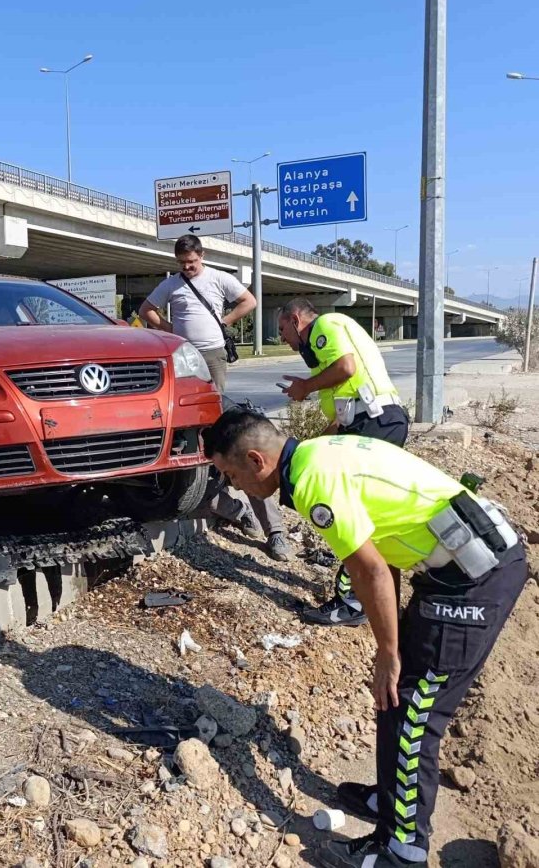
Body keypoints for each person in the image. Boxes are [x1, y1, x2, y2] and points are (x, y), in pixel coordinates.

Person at [203, 410, 527, 868]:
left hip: (477, 576)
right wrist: (390, 647)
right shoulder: (314, 456)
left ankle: (403, 849)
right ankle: (394, 799)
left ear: (256, 461)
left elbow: (368, 569)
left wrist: (388, 652)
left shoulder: (314, 482)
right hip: (456, 568)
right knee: (396, 700)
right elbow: (381, 555)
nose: (233, 487)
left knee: (415, 707)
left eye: (230, 475)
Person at [139, 234, 292, 562]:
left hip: (212, 356)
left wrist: (224, 322)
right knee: (195, 446)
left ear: (201, 256)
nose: (187, 268)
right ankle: (235, 510)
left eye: (191, 262)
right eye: (182, 263)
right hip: (182, 356)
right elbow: (146, 310)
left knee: (226, 431)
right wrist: (169, 329)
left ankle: (275, 531)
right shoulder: (173, 284)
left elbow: (248, 301)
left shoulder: (218, 279)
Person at [278, 297, 408, 627]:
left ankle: (353, 602)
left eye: (282, 330)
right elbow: (344, 410)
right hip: (371, 422)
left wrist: (305, 387)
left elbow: (347, 368)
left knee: (354, 513)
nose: (282, 338)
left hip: (375, 422)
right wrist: (319, 444)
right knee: (371, 514)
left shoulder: (325, 326)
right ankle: (381, 596)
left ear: (296, 320)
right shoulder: (328, 345)